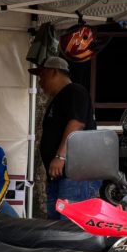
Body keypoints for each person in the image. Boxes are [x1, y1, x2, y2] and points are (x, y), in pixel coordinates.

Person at [31, 56, 98, 220]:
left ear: (54, 72)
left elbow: (77, 124)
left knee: (71, 224)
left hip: (75, 174)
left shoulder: (74, 91)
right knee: (56, 226)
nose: (40, 81)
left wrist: (60, 156)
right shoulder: (58, 98)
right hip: (60, 175)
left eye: (42, 75)